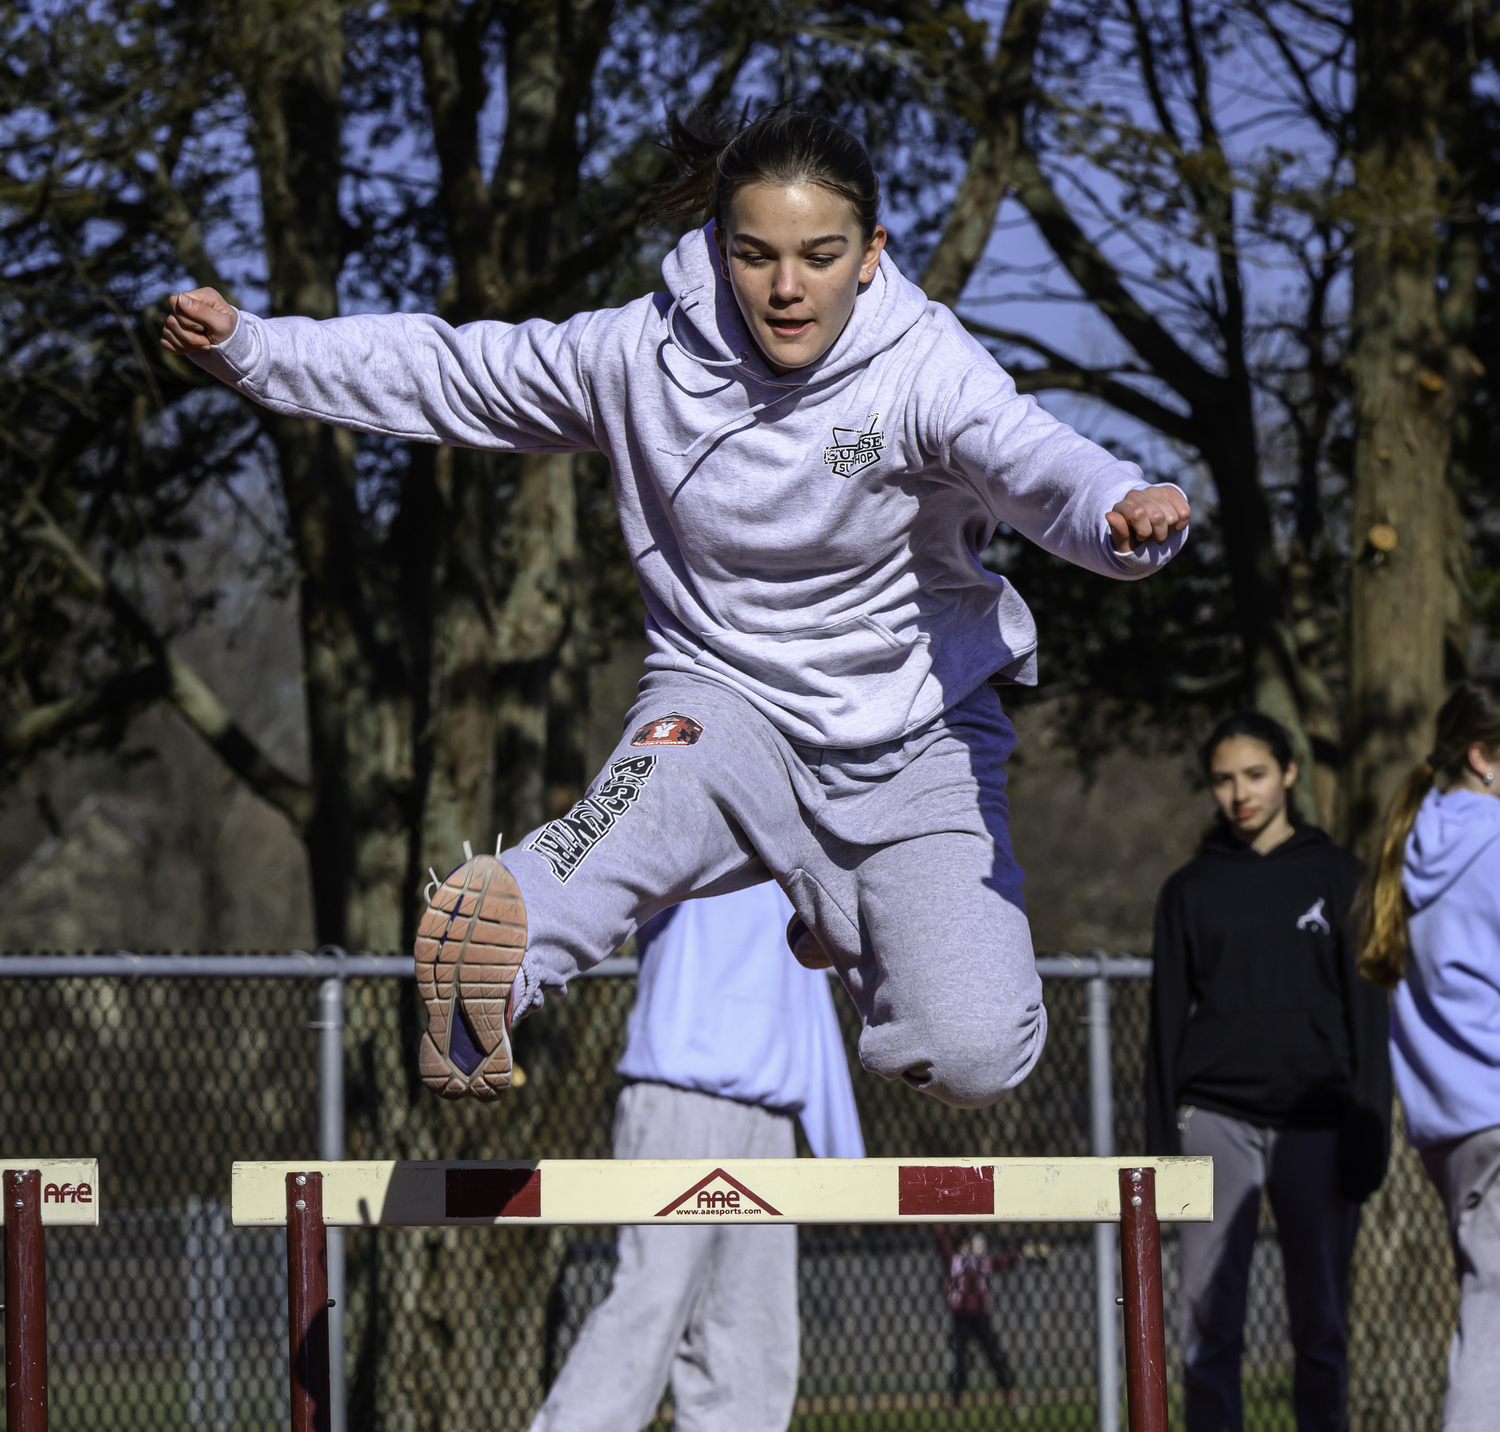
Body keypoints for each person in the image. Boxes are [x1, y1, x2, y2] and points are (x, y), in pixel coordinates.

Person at [160, 110, 1190, 1114]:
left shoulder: (925, 365)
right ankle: (493, 960)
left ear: (872, 252)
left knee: (975, 1057)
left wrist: (1117, 510)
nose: (787, 290)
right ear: (719, 244)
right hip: (721, 698)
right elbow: (454, 369)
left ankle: (848, 910)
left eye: (819, 257)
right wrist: (256, 350)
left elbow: (1032, 456)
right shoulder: (638, 355)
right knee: (617, 833)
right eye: (756, 256)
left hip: (914, 731)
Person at [493, 877, 864, 1432]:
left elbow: (812, 1001)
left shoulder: (804, 842)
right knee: (653, 1291)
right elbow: (602, 893)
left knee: (755, 1320)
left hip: (772, 1112)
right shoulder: (686, 795)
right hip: (677, 1096)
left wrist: (840, 1149)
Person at [1146, 711, 1391, 1432]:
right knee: (1209, 1321)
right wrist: (1156, 1148)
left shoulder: (1342, 876)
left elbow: (1369, 1015)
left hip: (1320, 1125)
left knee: (1320, 1323)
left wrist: (1370, 1126)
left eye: (1253, 774)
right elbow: (1164, 1030)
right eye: (1223, 779)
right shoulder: (1189, 890)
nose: (1238, 793)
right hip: (1213, 1119)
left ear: (1288, 773)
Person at [1359, 678, 1500, 1432]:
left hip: (1449, 1118)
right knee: (1494, 1311)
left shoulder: (1413, 846)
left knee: (1484, 1304)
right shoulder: (1494, 841)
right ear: (1484, 755)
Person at [936, 1226, 1019, 1409]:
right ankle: (955, 1401)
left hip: (980, 1317)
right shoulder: (954, 1259)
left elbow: (1002, 1262)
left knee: (995, 1357)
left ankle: (1010, 1395)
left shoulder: (981, 1262)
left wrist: (1022, 1255)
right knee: (961, 1363)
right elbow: (944, 1239)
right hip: (961, 1317)